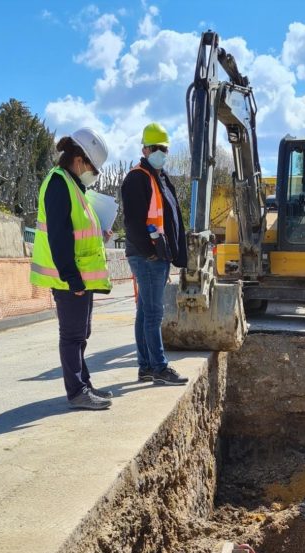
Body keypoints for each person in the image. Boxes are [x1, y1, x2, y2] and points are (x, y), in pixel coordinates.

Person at [30, 127, 113, 410]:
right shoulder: (58, 183)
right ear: (79, 160)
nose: (94, 174)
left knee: (81, 333)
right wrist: (72, 277)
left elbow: (77, 230)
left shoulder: (73, 185)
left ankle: (84, 384)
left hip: (79, 276)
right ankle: (77, 391)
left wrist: (100, 234)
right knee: (72, 335)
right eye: (94, 168)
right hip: (69, 278)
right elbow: (59, 234)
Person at [122, 123, 189, 386]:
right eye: (156, 148)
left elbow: (170, 220)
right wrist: (150, 252)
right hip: (147, 256)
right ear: (145, 149)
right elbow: (133, 222)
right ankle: (159, 367)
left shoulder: (159, 178)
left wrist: (172, 254)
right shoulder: (137, 178)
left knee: (144, 312)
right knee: (153, 313)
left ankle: (146, 367)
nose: (161, 152)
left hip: (157, 256)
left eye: (164, 148)